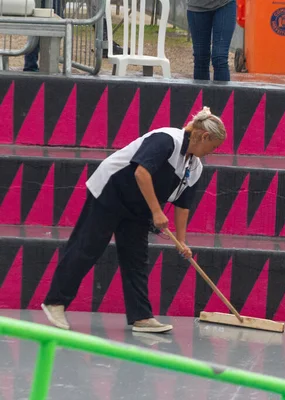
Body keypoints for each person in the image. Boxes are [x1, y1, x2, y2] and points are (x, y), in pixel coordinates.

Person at [41, 107, 226, 333]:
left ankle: (141, 316)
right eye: (213, 146)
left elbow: (182, 205)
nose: (212, 151)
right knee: (87, 247)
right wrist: (157, 212)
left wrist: (181, 240)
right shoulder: (167, 139)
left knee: (136, 259)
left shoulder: (194, 167)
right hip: (111, 191)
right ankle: (55, 302)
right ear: (204, 136)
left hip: (139, 207)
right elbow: (141, 172)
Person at [187, 0, 237, 81]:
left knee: (220, 58)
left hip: (225, 4)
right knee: (200, 58)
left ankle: (223, 93)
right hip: (196, 6)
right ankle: (201, 93)